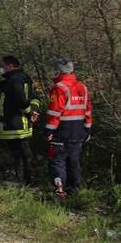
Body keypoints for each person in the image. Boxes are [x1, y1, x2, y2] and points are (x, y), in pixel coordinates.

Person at [45, 59, 92, 199]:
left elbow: (54, 113)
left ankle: (59, 192)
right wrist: (87, 130)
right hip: (78, 131)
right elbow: (88, 110)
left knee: (57, 161)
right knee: (74, 162)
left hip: (62, 131)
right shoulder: (82, 87)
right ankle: (75, 192)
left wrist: (48, 131)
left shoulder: (59, 88)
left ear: (58, 71)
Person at [0, 55, 41, 184]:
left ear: (10, 66)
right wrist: (34, 110)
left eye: (2, 66)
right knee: (23, 151)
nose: (1, 69)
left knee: (19, 153)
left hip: (15, 123)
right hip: (21, 123)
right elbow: (35, 97)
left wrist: (29, 111)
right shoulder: (25, 78)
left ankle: (23, 179)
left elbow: (20, 99)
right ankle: (27, 179)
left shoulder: (14, 80)